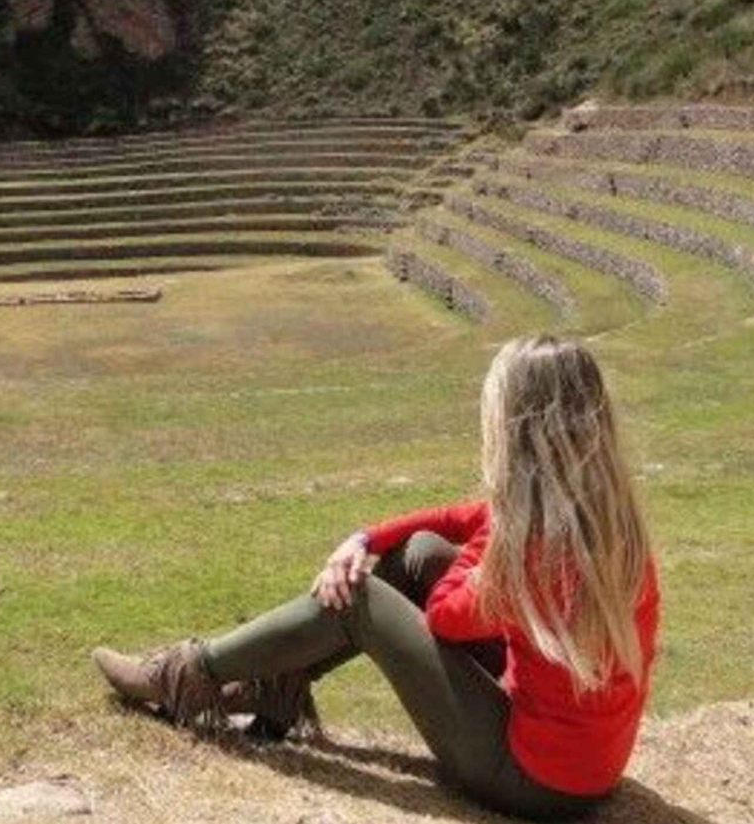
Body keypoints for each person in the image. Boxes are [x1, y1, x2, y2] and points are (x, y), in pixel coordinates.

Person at [91, 335, 659, 822]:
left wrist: (490, 542)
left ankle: (182, 676)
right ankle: (274, 687)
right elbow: (461, 520)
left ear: (519, 433)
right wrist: (366, 538)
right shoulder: (604, 525)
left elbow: (444, 615)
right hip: (583, 767)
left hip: (531, 782)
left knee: (357, 599)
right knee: (419, 552)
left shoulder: (531, 552)